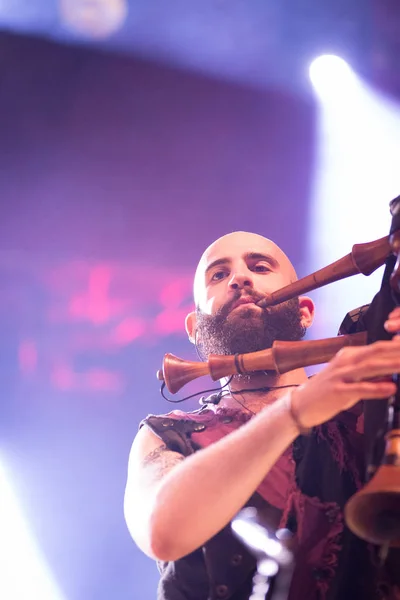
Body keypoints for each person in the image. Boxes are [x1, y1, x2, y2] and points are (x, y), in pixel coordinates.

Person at [124, 231, 400, 600]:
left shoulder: (368, 406)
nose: (240, 278)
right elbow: (162, 531)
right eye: (219, 275)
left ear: (305, 311)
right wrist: (294, 412)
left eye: (259, 266)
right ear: (195, 328)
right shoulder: (169, 434)